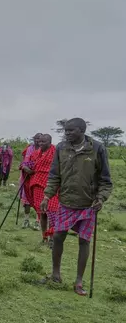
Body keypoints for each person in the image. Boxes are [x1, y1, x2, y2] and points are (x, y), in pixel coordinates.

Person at [41, 118, 112, 296]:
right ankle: (56, 274)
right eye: (66, 131)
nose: (67, 134)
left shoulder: (97, 148)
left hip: (89, 204)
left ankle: (79, 281)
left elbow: (106, 180)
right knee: (58, 236)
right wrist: (47, 195)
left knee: (84, 240)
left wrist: (101, 198)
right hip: (66, 201)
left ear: (82, 130)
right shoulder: (61, 148)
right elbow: (54, 175)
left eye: (71, 131)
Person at [23, 134, 59, 245]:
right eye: (39, 141)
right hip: (37, 185)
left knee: (52, 211)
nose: (40, 143)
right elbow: (27, 163)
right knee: (42, 213)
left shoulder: (56, 153)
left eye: (43, 142)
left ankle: (52, 237)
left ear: (50, 142)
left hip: (52, 186)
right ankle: (44, 237)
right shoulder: (36, 153)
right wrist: (26, 168)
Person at [19, 133, 42, 229]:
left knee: (39, 200)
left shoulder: (46, 150)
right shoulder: (29, 149)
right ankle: (26, 220)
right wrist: (25, 167)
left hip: (40, 178)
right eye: (36, 138)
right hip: (27, 176)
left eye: (39, 139)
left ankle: (38, 221)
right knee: (26, 200)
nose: (37, 141)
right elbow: (25, 161)